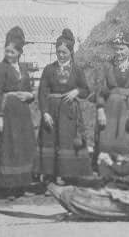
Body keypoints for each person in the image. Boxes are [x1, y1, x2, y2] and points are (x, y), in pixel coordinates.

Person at [0, 25, 37, 198]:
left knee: (24, 147)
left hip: (23, 114)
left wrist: (30, 95)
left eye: (12, 52)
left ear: (19, 53)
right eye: (6, 51)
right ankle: (8, 188)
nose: (8, 55)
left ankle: (22, 185)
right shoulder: (0, 69)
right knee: (9, 148)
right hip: (8, 112)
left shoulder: (23, 69)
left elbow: (29, 90)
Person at [36, 28, 91, 184]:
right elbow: (42, 92)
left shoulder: (77, 70)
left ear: (70, 52)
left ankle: (63, 174)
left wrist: (76, 91)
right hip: (52, 111)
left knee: (65, 141)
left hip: (68, 113)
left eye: (64, 52)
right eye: (58, 52)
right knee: (50, 141)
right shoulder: (49, 69)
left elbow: (86, 90)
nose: (61, 55)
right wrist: (45, 112)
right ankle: (48, 175)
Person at [94, 31, 129, 164]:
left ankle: (128, 167)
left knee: (128, 140)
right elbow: (100, 90)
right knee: (108, 140)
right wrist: (100, 109)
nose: (118, 52)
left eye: (122, 49)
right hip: (111, 110)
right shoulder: (108, 67)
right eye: (116, 49)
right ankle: (109, 169)